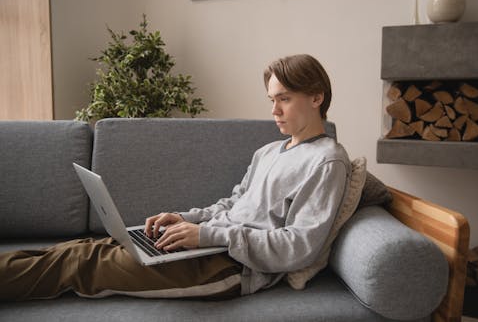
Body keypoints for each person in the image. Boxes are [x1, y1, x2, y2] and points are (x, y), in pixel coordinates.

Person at [0, 54, 350, 301]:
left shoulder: (327, 161)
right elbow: (232, 203)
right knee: (81, 248)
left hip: (227, 267)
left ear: (316, 97)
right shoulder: (269, 151)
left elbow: (299, 248)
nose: (273, 110)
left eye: (284, 99)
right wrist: (185, 220)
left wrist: (206, 236)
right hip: (206, 245)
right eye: (272, 99)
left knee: (80, 264)